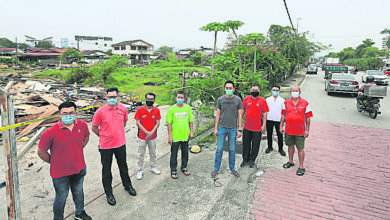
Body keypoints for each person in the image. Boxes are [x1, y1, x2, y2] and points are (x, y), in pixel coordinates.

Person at [38, 102, 92, 220]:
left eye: (71, 113)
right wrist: (56, 161)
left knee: (78, 192)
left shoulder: (82, 125)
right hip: (60, 173)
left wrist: (77, 150)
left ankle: (80, 213)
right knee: (61, 197)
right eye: (65, 113)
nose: (68, 116)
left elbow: (86, 137)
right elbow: (41, 152)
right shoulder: (50, 132)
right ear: (59, 115)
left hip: (79, 168)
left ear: (75, 114)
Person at [92, 87, 136, 206]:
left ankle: (128, 186)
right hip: (105, 146)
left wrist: (117, 132)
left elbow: (124, 122)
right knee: (107, 170)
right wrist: (104, 136)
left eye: (114, 97)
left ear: (118, 97)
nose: (112, 99)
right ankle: (109, 193)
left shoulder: (122, 109)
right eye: (109, 97)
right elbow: (94, 127)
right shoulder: (100, 111)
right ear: (106, 97)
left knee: (123, 166)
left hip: (120, 144)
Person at [211, 80, 244, 178]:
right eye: (227, 88)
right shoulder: (220, 99)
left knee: (232, 149)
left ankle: (232, 168)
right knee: (219, 149)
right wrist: (216, 128)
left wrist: (239, 129)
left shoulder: (237, 100)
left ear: (233, 89)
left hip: (233, 128)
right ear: (224, 89)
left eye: (230, 88)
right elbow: (218, 114)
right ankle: (216, 168)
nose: (228, 90)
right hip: (222, 127)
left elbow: (240, 115)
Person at [280, 86, 313, 176]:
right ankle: (290, 161)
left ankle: (301, 167)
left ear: (300, 92)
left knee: (300, 149)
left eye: (296, 91)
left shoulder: (305, 103)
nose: (295, 92)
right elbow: (283, 115)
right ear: (290, 92)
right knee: (290, 146)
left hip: (300, 131)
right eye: (293, 91)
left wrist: (307, 129)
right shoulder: (286, 102)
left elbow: (308, 118)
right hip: (288, 130)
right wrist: (281, 126)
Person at [166, 90, 194, 179]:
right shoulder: (171, 109)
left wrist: (191, 132)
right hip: (175, 136)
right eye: (179, 97)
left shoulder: (188, 108)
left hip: (185, 135)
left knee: (185, 153)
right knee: (174, 154)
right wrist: (170, 136)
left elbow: (191, 121)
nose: (180, 99)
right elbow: (169, 124)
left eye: (182, 98)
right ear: (176, 98)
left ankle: (184, 167)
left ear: (184, 99)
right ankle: (173, 170)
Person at [134, 93, 161, 180]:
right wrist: (146, 132)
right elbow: (138, 123)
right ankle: (140, 170)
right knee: (140, 154)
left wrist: (151, 133)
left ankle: (153, 166)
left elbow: (157, 122)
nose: (150, 100)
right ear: (145, 99)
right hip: (142, 136)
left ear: (154, 100)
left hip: (153, 136)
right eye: (148, 99)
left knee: (153, 153)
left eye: (152, 99)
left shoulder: (157, 110)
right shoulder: (140, 110)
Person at [241, 85, 269, 168]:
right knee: (246, 144)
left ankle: (252, 160)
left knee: (255, 145)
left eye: (256, 90)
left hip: (257, 127)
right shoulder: (246, 99)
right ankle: (245, 160)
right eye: (253, 89)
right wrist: (240, 123)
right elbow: (242, 110)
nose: (254, 91)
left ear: (259, 91)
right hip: (247, 126)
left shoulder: (262, 101)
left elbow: (265, 113)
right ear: (250, 90)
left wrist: (264, 125)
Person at [265, 85, 286, 156]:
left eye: (276, 90)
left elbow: (284, 112)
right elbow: (265, 111)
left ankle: (281, 149)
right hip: (269, 119)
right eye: (273, 90)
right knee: (269, 134)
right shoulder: (267, 100)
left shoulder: (282, 101)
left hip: (278, 120)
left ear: (279, 91)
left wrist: (282, 122)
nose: (275, 91)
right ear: (271, 90)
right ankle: (270, 147)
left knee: (280, 135)